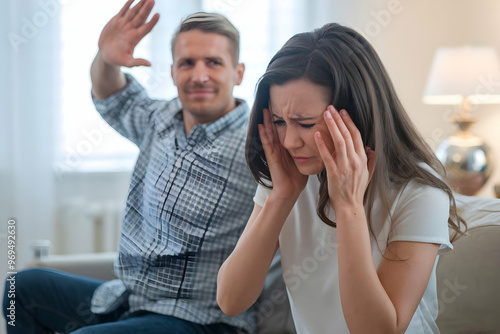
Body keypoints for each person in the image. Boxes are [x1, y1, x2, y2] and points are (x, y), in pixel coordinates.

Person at [2, 1, 270, 333]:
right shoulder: (159, 119)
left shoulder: (259, 146)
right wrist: (106, 58)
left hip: (202, 320)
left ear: (238, 72)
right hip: (132, 301)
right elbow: (109, 92)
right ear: (173, 71)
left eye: (213, 62)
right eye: (187, 63)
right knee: (21, 291)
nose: (199, 75)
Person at [217, 22, 467, 334]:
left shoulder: (420, 192)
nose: (289, 141)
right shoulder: (291, 172)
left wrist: (349, 207)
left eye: (305, 123)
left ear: (356, 116)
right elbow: (230, 300)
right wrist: (281, 196)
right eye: (279, 122)